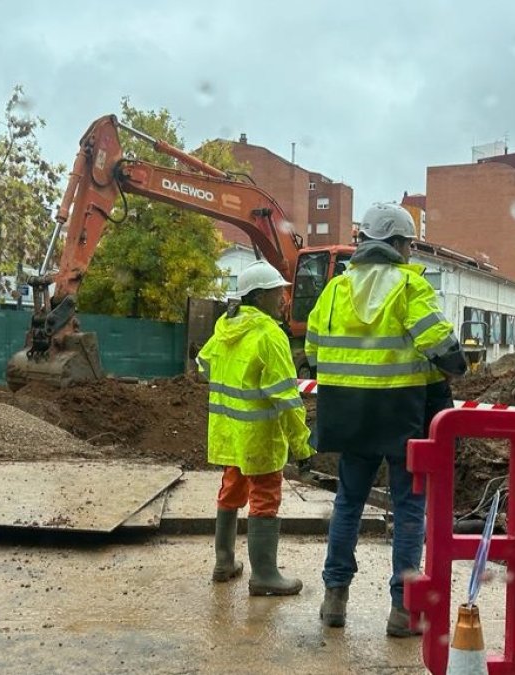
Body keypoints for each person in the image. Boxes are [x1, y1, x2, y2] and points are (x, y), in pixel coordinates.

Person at [306, 202, 467, 637]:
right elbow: (443, 350)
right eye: (409, 244)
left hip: (347, 416)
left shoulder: (334, 291)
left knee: (348, 505)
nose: (411, 252)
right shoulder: (410, 288)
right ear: (397, 243)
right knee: (409, 511)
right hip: (401, 416)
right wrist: (453, 365)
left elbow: (314, 353)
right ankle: (403, 610)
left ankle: (334, 599)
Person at [196, 260, 313, 596]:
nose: (283, 299)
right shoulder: (268, 335)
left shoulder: (224, 328)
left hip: (229, 432)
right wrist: (302, 447)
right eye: (278, 292)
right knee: (264, 498)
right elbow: (286, 399)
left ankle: (224, 562)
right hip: (259, 436)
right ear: (259, 296)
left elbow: (204, 363)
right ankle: (264, 576)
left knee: (231, 491)